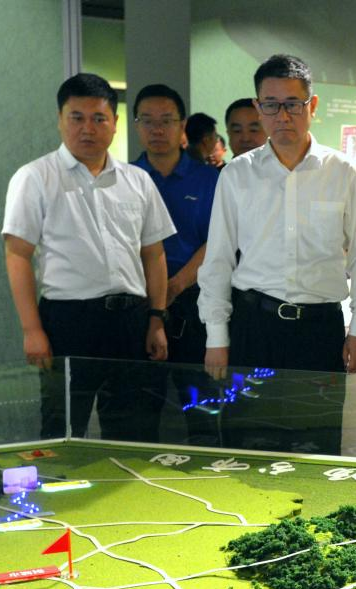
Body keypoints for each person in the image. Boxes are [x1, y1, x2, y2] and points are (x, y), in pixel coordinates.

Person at [198, 54, 356, 455]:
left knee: (317, 443)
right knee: (247, 443)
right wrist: (216, 336)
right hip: (254, 328)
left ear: (312, 105)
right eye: (271, 105)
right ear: (258, 107)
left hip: (320, 332)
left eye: (293, 104)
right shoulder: (237, 174)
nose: (282, 116)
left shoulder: (343, 171)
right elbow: (218, 260)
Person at [2, 72, 174, 442]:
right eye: (76, 117)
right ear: (60, 120)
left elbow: (154, 253)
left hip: (131, 320)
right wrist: (32, 330)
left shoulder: (137, 180)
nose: (88, 128)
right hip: (68, 321)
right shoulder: (35, 177)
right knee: (63, 426)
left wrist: (156, 317)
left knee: (135, 427)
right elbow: (17, 255)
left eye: (99, 118)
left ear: (114, 123)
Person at [131, 83, 222, 443]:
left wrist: (175, 285)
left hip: (193, 303)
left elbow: (217, 241)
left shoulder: (211, 179)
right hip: (140, 306)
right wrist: (156, 295)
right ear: (136, 126)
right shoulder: (124, 178)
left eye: (166, 120)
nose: (157, 129)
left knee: (201, 407)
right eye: (147, 121)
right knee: (139, 409)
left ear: (182, 125)